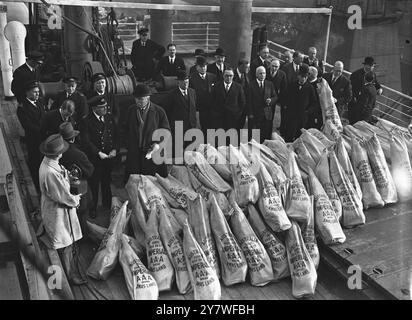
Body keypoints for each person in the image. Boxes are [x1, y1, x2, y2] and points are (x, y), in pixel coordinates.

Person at [38, 134, 85, 284]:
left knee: (66, 242)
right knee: (65, 244)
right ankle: (69, 277)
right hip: (58, 212)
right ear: (58, 153)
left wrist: (68, 176)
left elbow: (60, 181)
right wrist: (77, 200)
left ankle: (68, 273)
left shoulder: (49, 163)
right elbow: (63, 196)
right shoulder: (50, 172)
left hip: (57, 210)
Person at [80, 97, 118, 218]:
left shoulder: (109, 118)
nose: (105, 109)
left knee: (106, 181)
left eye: (106, 106)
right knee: (94, 184)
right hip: (95, 159)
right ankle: (93, 207)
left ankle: (107, 204)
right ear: (94, 108)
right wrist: (98, 153)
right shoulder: (86, 121)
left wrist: (115, 149)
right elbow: (86, 142)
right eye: (102, 107)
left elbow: (117, 135)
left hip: (108, 157)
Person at [123, 84, 171, 181]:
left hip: (152, 153)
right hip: (135, 153)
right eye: (136, 99)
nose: (138, 101)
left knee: (153, 182)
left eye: (141, 99)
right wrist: (128, 144)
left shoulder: (159, 111)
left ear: (148, 98)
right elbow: (124, 129)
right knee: (135, 182)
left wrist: (157, 144)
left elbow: (166, 132)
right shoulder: (130, 111)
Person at [59, 122, 94, 232]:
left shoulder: (57, 151)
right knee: (81, 215)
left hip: (62, 188)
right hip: (78, 189)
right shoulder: (78, 154)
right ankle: (82, 237)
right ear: (73, 138)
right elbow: (90, 171)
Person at [16, 81, 46, 191]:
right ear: (27, 93)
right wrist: (43, 131)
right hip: (34, 141)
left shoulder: (40, 102)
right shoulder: (22, 108)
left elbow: (44, 117)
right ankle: (38, 188)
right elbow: (28, 126)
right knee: (36, 163)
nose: (38, 94)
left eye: (38, 92)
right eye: (35, 92)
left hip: (44, 138)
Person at [164, 71, 197, 156]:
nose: (186, 83)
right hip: (178, 129)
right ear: (178, 82)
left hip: (191, 128)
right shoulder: (171, 95)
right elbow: (167, 112)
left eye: (187, 80)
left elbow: (193, 109)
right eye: (183, 81)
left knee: (191, 153)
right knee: (179, 153)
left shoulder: (192, 92)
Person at [283, 64, 318, 142]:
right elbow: (286, 98)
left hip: (302, 119)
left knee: (299, 138)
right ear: (298, 76)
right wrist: (287, 108)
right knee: (288, 136)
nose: (303, 79)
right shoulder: (292, 85)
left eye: (305, 77)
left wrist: (307, 112)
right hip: (291, 116)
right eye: (302, 76)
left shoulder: (310, 88)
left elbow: (314, 103)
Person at [247, 66, 278, 142]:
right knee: (255, 136)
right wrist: (250, 114)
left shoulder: (269, 84)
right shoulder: (251, 85)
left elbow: (275, 96)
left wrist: (271, 100)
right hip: (256, 114)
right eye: (260, 73)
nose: (262, 75)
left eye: (264, 73)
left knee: (266, 135)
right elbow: (249, 101)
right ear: (256, 75)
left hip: (267, 115)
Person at [212, 68, 246, 132]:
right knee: (220, 140)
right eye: (226, 75)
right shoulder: (216, 87)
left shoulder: (238, 87)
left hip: (233, 120)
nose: (229, 77)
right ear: (223, 76)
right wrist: (216, 114)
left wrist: (237, 114)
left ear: (233, 76)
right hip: (219, 120)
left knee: (232, 140)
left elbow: (242, 103)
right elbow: (212, 101)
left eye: (231, 76)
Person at [189, 56, 217, 134]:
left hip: (211, 109)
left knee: (211, 129)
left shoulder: (213, 77)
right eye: (201, 66)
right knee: (200, 129)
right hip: (199, 109)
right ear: (197, 67)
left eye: (204, 66)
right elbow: (191, 95)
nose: (203, 68)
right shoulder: (192, 78)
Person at [233, 59, 251, 129]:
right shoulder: (232, 75)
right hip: (234, 107)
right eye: (246, 67)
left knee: (241, 126)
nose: (248, 69)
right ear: (240, 66)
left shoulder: (246, 75)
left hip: (243, 108)